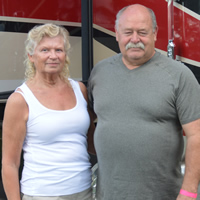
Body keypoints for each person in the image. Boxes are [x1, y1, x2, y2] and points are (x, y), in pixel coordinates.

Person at [87, 4, 200, 200]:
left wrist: (189, 191)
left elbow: (196, 135)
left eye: (142, 32)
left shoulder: (179, 75)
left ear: (155, 33)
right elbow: (88, 115)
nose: (135, 39)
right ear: (116, 34)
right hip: (109, 194)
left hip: (162, 195)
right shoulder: (100, 72)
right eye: (128, 32)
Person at [2, 23, 95, 200]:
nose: (53, 56)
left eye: (58, 50)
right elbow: (9, 163)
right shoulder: (20, 100)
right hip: (42, 193)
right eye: (45, 50)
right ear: (31, 56)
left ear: (65, 55)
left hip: (84, 191)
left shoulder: (79, 90)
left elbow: (91, 140)